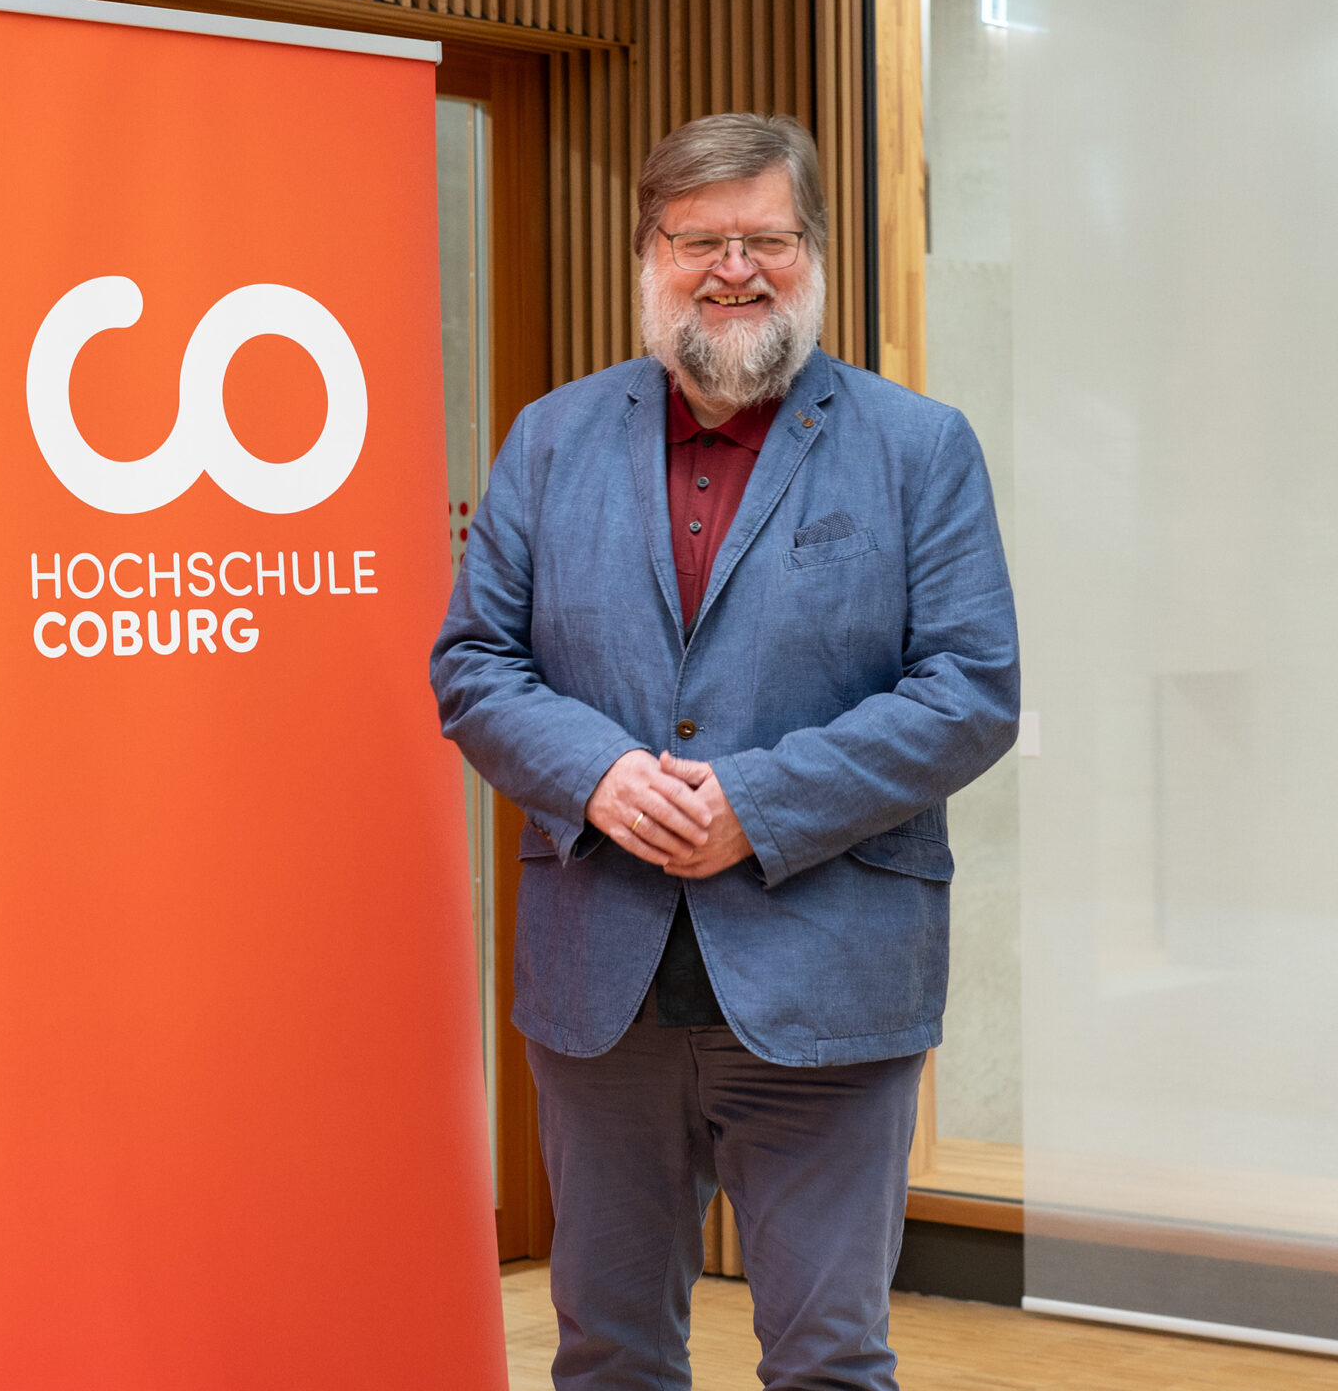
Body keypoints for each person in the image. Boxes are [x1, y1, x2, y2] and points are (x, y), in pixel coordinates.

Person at [429, 112, 1019, 1390]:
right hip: (604, 995)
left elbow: (972, 689)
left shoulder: (919, 448)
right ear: (649, 252)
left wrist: (758, 799)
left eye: (766, 238)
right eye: (700, 239)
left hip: (829, 986)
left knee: (824, 1358)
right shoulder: (549, 439)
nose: (733, 269)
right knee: (606, 1353)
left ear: (813, 251)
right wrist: (593, 771)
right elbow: (473, 663)